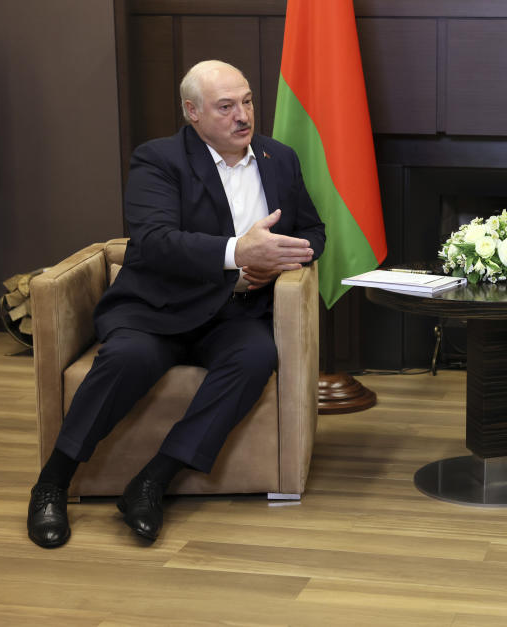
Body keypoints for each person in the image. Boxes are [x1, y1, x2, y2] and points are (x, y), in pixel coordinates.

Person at [26, 60, 325, 548]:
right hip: (159, 309)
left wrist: (283, 259)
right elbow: (156, 240)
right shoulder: (159, 159)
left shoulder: (279, 158)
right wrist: (237, 253)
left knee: (255, 357)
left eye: (247, 101)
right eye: (225, 107)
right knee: (126, 358)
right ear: (193, 113)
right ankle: (52, 483)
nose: (243, 116)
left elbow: (312, 229)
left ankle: (152, 482)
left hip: (236, 313)